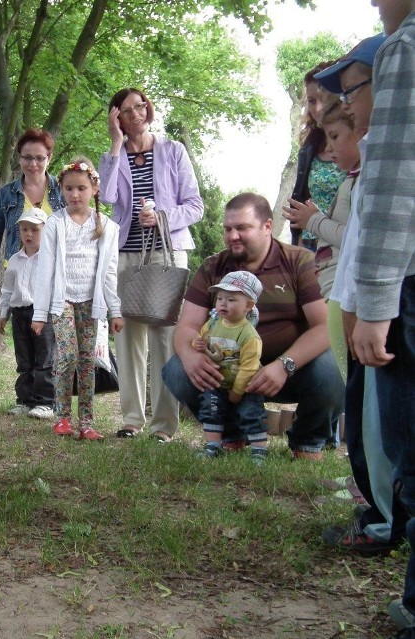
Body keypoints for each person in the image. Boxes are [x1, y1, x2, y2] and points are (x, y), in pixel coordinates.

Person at [309, 32, 407, 561]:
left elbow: (371, 243)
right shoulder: (362, 173)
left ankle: (387, 520)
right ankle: (380, 511)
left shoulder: (383, 170)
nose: (347, 104)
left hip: (377, 313)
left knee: (383, 425)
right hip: (358, 310)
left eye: (353, 91)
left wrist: (369, 310)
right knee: (367, 415)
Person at [162, 192, 344, 460]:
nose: (232, 236)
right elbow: (186, 326)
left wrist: (284, 365)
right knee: (177, 369)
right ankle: (231, 434)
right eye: (228, 229)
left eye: (242, 228)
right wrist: (190, 355)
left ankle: (308, 441)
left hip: (291, 370)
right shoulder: (212, 266)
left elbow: (324, 327)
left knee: (333, 368)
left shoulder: (299, 261)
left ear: (267, 226)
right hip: (229, 369)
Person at [342, 3, 414, 635]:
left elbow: (395, 182)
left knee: (408, 442)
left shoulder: (404, 48)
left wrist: (377, 302)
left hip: (407, 287)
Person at [99, 87, 203, 442]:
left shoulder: (173, 151)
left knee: (163, 337)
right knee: (127, 336)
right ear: (117, 119)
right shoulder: (112, 156)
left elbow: (195, 206)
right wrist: (115, 144)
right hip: (125, 254)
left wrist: (161, 215)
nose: (136, 114)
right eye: (126, 111)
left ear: (149, 109)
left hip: (166, 254)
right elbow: (109, 196)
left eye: (140, 106)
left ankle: (163, 426)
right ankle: (131, 418)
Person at [31, 158, 124, 441]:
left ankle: (86, 422)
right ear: (60, 189)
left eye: (81, 188)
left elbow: (109, 272)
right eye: (69, 188)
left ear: (94, 189)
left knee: (87, 360)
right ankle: (62, 417)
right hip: (63, 302)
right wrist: (39, 312)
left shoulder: (106, 227)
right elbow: (45, 268)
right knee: (68, 356)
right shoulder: (55, 224)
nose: (74, 194)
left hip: (90, 303)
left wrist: (115, 310)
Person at [283, 99, 364, 376]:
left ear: (361, 132)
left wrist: (313, 221)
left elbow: (354, 238)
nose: (328, 148)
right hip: (335, 290)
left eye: (335, 137)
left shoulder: (361, 182)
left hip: (347, 296)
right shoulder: (350, 180)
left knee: (352, 377)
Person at [191, 271, 266, 465]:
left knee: (252, 414)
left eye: (231, 299)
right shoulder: (214, 322)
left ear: (248, 306)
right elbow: (204, 339)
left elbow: (249, 368)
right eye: (220, 298)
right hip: (219, 381)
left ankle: (259, 450)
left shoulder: (249, 335)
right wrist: (198, 345)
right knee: (211, 409)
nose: (223, 303)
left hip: (247, 385)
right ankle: (213, 446)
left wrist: (238, 391)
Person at [0, 128, 65, 301]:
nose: (33, 164)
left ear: (49, 158)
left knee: (52, 326)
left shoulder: (63, 190)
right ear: (19, 158)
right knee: (22, 324)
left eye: (39, 158)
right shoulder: (4, 194)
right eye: (27, 157)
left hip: (56, 271)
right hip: (19, 272)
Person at [0, 208, 55, 420]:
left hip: (42, 313)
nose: (28, 234)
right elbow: (7, 288)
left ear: (45, 231)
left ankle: (46, 402)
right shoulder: (14, 259)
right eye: (24, 230)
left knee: (44, 359)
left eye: (34, 230)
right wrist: (4, 313)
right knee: (24, 359)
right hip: (20, 313)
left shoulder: (50, 259)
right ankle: (25, 400)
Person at [287, 61, 347, 251]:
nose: (318, 108)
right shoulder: (309, 147)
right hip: (310, 244)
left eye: (324, 98)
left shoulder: (358, 144)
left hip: (341, 244)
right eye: (311, 101)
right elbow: (302, 199)